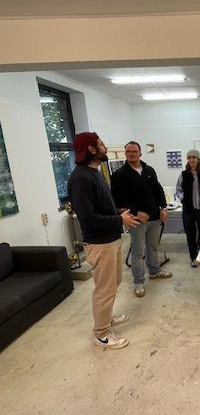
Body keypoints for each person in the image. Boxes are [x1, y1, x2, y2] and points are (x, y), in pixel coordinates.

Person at [67, 132, 140, 349]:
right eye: (100, 144)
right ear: (91, 149)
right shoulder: (80, 178)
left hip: (111, 239)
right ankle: (102, 334)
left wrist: (118, 212)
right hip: (99, 243)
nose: (105, 147)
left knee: (113, 283)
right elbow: (88, 218)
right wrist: (119, 219)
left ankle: (105, 319)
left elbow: (101, 208)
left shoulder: (94, 173)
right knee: (104, 289)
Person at [111, 141, 172, 298]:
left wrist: (163, 207)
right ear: (125, 153)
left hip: (154, 218)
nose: (131, 154)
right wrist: (136, 213)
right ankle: (138, 283)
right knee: (138, 253)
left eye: (134, 151)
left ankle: (154, 271)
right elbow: (117, 200)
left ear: (140, 153)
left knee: (152, 247)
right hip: (136, 220)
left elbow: (158, 190)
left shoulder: (149, 170)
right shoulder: (119, 175)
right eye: (128, 151)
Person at [175, 149, 200, 267]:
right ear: (187, 160)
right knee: (190, 235)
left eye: (194, 157)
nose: (192, 160)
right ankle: (193, 257)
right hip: (188, 210)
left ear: (198, 159)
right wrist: (182, 198)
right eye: (189, 158)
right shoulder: (183, 174)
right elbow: (178, 190)